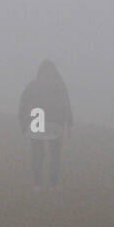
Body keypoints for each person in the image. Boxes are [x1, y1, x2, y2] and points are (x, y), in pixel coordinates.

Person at [18, 60, 73, 190]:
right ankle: (53, 184)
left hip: (37, 122)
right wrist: (69, 123)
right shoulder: (60, 86)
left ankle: (37, 184)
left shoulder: (33, 85)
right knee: (55, 155)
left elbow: (23, 104)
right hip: (56, 124)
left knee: (36, 154)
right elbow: (66, 105)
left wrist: (23, 123)